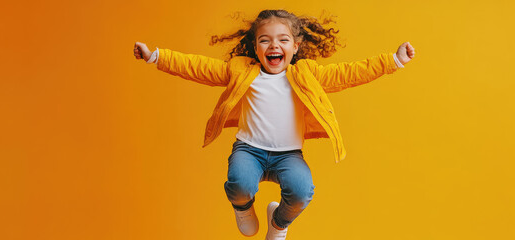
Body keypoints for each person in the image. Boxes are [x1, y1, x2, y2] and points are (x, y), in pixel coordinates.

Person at [134, 9, 415, 240]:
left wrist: (393, 60)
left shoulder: (306, 75)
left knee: (302, 191)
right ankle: (243, 208)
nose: (274, 46)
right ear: (255, 47)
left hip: (288, 155)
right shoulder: (241, 71)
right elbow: (199, 67)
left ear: (295, 46)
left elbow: (349, 73)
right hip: (249, 150)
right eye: (265, 40)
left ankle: (278, 224)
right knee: (239, 183)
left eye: (282, 40)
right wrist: (155, 56)